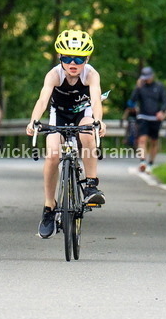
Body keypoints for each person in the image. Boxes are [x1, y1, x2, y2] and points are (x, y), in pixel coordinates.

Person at [25, 29, 106, 239]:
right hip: (58, 115)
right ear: (60, 57)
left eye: (78, 59)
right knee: (52, 154)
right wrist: (34, 120)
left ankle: (90, 185)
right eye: (67, 57)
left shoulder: (91, 74)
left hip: (83, 114)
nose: (73, 63)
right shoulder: (54, 75)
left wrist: (99, 121)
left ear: (86, 59)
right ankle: (49, 207)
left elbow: (96, 100)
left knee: (88, 132)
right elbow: (43, 100)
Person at [130, 66, 166, 172]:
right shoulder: (140, 88)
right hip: (143, 116)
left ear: (152, 76)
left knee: (154, 141)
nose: (146, 79)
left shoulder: (159, 87)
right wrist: (137, 87)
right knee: (142, 139)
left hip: (155, 118)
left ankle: (151, 163)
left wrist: (162, 111)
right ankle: (142, 161)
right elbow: (132, 100)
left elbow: (165, 101)